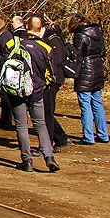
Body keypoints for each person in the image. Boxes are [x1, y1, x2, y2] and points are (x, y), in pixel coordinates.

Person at [9, 14, 59, 172]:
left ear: (26, 27)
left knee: (21, 125)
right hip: (37, 90)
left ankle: (27, 160)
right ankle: (49, 156)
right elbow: (52, 73)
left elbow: (3, 60)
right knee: (40, 124)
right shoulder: (46, 48)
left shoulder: (14, 43)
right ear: (42, 29)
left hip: (17, 90)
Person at [67, 13, 109, 146]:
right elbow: (102, 51)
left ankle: (88, 136)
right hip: (98, 68)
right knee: (97, 102)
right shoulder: (97, 32)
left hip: (85, 70)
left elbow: (77, 55)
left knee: (85, 103)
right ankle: (103, 134)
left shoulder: (80, 35)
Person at [39, 22, 71, 151]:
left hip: (52, 80)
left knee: (47, 112)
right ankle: (60, 137)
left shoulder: (53, 40)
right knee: (46, 112)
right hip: (48, 79)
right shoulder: (46, 39)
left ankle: (50, 142)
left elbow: (55, 62)